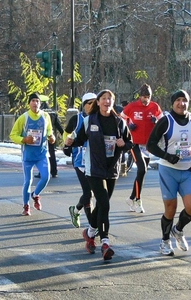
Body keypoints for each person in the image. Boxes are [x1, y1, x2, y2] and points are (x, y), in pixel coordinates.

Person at [65, 89, 133, 261]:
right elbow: (78, 140)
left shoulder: (119, 122)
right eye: (103, 98)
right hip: (94, 169)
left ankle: (89, 233)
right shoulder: (89, 121)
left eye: (110, 99)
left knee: (103, 204)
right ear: (98, 102)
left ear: (113, 102)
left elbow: (130, 143)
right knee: (104, 203)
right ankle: (105, 243)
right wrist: (68, 144)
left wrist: (123, 144)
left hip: (111, 169)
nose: (107, 101)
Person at [147, 90, 191, 256]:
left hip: (187, 170)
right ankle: (165, 241)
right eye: (178, 100)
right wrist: (167, 156)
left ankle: (178, 230)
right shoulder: (165, 121)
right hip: (168, 170)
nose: (181, 103)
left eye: (184, 100)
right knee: (170, 209)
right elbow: (151, 145)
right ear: (173, 103)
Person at [9, 92, 56, 216]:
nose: (35, 103)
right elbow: (13, 135)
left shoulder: (46, 116)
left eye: (37, 101)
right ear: (29, 103)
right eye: (33, 101)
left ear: (40, 103)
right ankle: (26, 206)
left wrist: (52, 138)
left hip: (42, 154)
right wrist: (24, 140)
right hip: (28, 155)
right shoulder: (24, 117)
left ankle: (35, 195)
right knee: (28, 181)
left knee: (46, 177)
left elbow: (50, 131)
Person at [121, 83, 163, 213]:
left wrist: (156, 122)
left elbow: (163, 122)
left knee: (142, 173)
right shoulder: (132, 106)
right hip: (135, 143)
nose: (146, 99)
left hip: (148, 145)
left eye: (148, 96)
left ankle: (131, 198)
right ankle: (138, 200)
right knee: (142, 169)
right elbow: (121, 118)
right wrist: (129, 124)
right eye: (144, 96)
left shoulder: (155, 106)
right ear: (140, 96)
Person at [65, 92, 97, 228]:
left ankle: (76, 209)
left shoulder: (99, 119)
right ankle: (92, 226)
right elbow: (67, 134)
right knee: (88, 193)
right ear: (84, 105)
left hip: (94, 160)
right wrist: (66, 145)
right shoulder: (76, 119)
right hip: (80, 160)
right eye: (89, 103)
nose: (92, 106)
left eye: (95, 103)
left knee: (92, 193)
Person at [34, 96, 64, 178]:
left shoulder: (39, 112)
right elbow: (58, 126)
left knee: (42, 155)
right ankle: (54, 171)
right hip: (51, 137)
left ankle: (42, 172)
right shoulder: (53, 112)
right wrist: (64, 135)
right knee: (52, 154)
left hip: (41, 137)